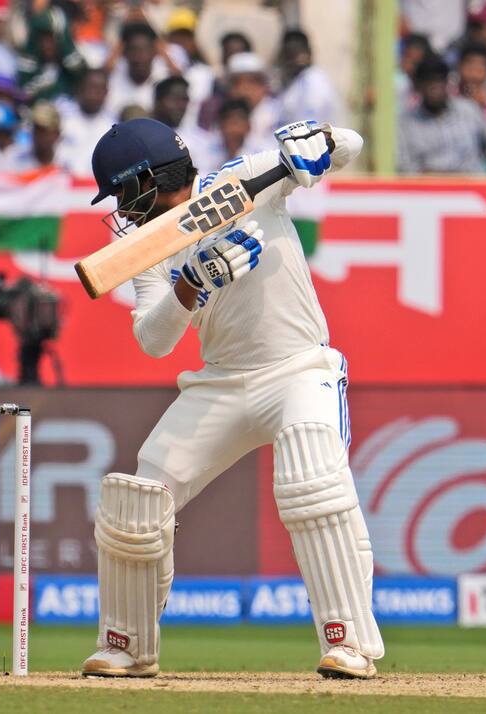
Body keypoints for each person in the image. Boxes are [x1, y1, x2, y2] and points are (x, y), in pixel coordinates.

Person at [81, 116, 383, 679]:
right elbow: (154, 339)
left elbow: (351, 145)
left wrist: (319, 142)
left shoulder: (243, 179)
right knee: (140, 497)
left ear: (152, 177)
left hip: (299, 367)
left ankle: (348, 642)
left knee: (310, 479)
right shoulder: (149, 247)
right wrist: (189, 284)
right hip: (222, 381)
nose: (120, 208)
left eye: (124, 191)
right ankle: (126, 644)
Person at [398, 54, 486, 173]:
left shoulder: (469, 110)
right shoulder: (406, 123)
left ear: (447, 83)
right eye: (428, 80)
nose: (435, 86)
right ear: (418, 85)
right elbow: (405, 168)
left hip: (473, 184)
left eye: (439, 80)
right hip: (431, 187)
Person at [276, 29, 341, 127]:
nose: (293, 59)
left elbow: (311, 123)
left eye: (297, 53)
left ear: (308, 53)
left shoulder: (314, 81)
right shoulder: (294, 81)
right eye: (289, 54)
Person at [57, 67, 114, 175]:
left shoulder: (113, 127)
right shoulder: (62, 118)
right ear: (79, 89)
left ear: (106, 92)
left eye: (98, 89)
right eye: (90, 88)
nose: (93, 94)